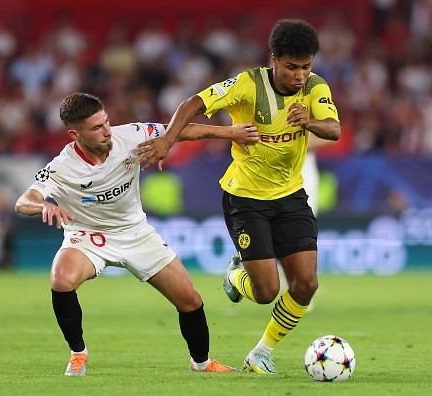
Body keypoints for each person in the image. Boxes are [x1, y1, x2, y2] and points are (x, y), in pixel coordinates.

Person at [138, 19, 340, 374]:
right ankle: (235, 276)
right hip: (245, 199)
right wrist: (168, 140)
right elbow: (192, 104)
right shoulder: (248, 84)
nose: (299, 75)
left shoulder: (315, 88)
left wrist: (308, 121)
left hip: (291, 196)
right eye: (292, 66)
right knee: (265, 292)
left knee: (306, 284)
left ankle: (261, 352)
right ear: (273, 58)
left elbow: (335, 129)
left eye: (306, 66)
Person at [14, 92, 259, 376]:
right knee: (61, 279)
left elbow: (179, 131)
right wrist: (43, 205)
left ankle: (201, 363)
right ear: (74, 134)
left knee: (189, 299)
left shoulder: (130, 136)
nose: (107, 132)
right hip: (88, 236)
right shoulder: (62, 166)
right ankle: (78, 353)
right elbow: (23, 201)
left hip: (136, 233)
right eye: (96, 128)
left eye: (106, 122)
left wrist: (230, 132)